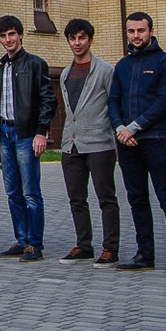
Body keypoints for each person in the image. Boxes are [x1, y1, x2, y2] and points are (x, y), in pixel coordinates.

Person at [109, 11, 166, 275]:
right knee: (137, 199)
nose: (135, 36)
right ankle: (145, 254)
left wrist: (133, 126)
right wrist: (120, 128)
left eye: (140, 31)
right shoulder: (122, 65)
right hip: (127, 143)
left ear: (150, 31)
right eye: (131, 31)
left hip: (156, 140)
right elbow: (113, 101)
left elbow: (163, 103)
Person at [0, 14, 57, 261]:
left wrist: (41, 131)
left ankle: (34, 245)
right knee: (12, 192)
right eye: (3, 36)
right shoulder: (3, 67)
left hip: (26, 134)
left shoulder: (34, 64)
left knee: (30, 192)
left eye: (11, 34)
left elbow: (48, 99)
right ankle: (21, 240)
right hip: (5, 134)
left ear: (20, 35)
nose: (8, 39)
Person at [57, 18, 120, 265]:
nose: (77, 43)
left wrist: (116, 137)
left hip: (99, 144)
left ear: (90, 40)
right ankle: (84, 245)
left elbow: (113, 106)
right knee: (76, 198)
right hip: (71, 145)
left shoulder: (105, 71)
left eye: (82, 38)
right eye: (73, 38)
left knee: (106, 198)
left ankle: (110, 248)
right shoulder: (65, 73)